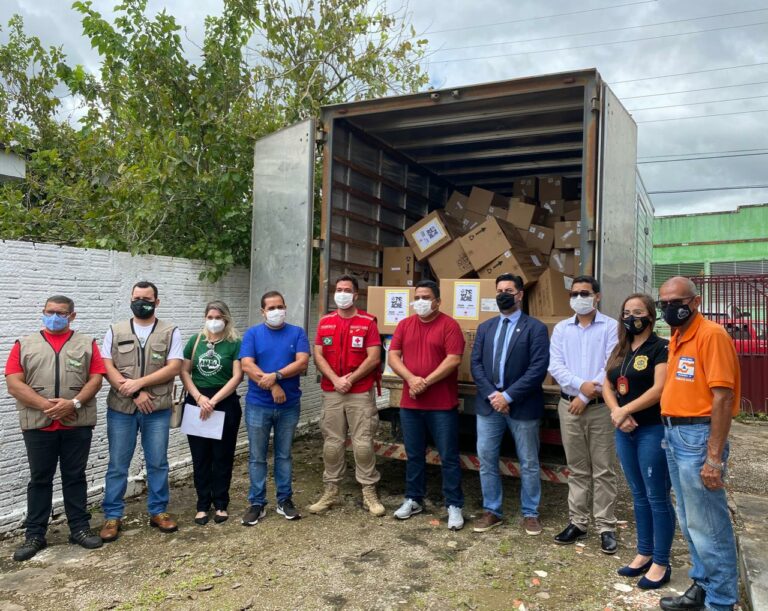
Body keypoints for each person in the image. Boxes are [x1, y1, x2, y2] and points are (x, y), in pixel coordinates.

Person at [657, 277, 740, 611]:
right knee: (691, 519)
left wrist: (714, 457)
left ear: (696, 301)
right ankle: (702, 586)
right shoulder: (679, 336)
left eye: (675, 302)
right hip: (674, 434)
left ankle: (721, 601)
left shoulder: (712, 335)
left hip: (698, 436)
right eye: (663, 303)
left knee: (708, 522)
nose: (668, 309)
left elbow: (722, 397)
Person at [5, 295, 105, 561]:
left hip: (76, 424)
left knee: (75, 477)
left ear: (72, 316)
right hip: (38, 425)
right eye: (50, 312)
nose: (54, 316)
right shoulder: (24, 345)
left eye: (61, 313)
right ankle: (35, 535)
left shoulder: (87, 343)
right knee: (40, 480)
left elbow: (96, 378)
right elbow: (14, 383)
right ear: (43, 312)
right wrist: (48, 406)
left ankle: (79, 529)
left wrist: (73, 403)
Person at [99, 281, 184, 541]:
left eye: (147, 299)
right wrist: (134, 392)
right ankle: (112, 516)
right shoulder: (115, 330)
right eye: (137, 298)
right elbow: (107, 366)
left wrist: (141, 384)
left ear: (156, 302)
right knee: (117, 465)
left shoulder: (170, 331)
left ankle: (158, 511)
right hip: (121, 409)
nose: (141, 302)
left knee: (157, 462)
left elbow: (174, 367)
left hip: (156, 409)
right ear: (130, 299)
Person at [603, 293, 675, 589]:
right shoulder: (620, 348)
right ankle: (644, 552)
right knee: (637, 493)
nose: (632, 317)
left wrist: (626, 410)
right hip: (625, 430)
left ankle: (661, 561)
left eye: (638, 311)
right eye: (627, 312)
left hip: (651, 429)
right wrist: (616, 412)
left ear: (650, 315)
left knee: (657, 495)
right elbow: (607, 383)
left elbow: (660, 389)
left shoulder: (661, 348)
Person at [470, 274, 549, 535]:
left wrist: (509, 396)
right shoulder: (486, 327)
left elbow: (538, 369)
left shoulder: (535, 328)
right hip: (489, 405)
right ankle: (492, 510)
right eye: (500, 290)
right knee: (487, 459)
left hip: (522, 405)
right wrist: (494, 395)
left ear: (520, 294)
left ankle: (530, 512)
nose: (504, 294)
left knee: (528, 461)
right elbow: (476, 365)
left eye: (509, 290)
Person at [548, 275, 619, 554]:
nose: (579, 298)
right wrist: (579, 389)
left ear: (597, 296)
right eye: (574, 294)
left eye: (585, 293)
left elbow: (611, 365)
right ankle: (578, 522)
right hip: (569, 406)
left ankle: (606, 526)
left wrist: (586, 395)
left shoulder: (611, 327)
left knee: (603, 469)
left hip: (600, 407)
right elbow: (556, 365)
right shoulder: (563, 329)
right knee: (577, 469)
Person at [388, 280, 466, 530]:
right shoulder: (404, 325)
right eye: (417, 297)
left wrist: (426, 381)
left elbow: (454, 359)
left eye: (426, 297)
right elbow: (393, 355)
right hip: (410, 404)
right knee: (414, 455)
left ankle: (454, 504)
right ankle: (413, 498)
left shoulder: (449, 325)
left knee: (449, 456)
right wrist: (411, 379)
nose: (420, 301)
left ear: (437, 301)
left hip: (441, 405)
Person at [308, 276, 385, 517]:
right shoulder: (325, 322)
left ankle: (369, 491)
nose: (341, 294)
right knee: (332, 444)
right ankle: (330, 490)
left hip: (359, 392)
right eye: (338, 290)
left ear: (356, 295)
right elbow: (318, 355)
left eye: (347, 290)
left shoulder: (367, 322)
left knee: (362, 444)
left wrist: (349, 379)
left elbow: (373, 357)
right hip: (333, 392)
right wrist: (335, 379)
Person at [240, 291, 310, 525]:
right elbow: (247, 365)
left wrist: (276, 376)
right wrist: (273, 387)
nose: (276, 311)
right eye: (271, 308)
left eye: (280, 306)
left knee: (284, 455)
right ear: (263, 312)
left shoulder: (297, 332)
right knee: (257, 456)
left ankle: (284, 500)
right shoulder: (253, 334)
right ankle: (257, 503)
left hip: (289, 405)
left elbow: (302, 362)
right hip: (258, 405)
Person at [179, 301, 243, 525]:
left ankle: (221, 503)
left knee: (222, 456)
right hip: (197, 402)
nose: (213, 321)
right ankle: (202, 504)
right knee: (200, 457)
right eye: (210, 316)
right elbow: (184, 371)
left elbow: (237, 377)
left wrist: (214, 401)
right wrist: (198, 397)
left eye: (218, 317)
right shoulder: (195, 341)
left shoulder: (235, 343)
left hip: (223, 403)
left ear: (226, 319)